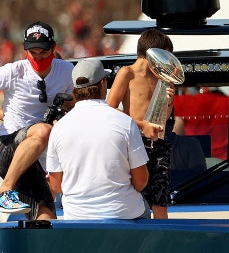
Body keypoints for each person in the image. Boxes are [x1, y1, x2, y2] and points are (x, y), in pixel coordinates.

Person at [47, 59, 150, 219]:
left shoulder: (59, 128)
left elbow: (55, 185)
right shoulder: (125, 122)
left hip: (77, 216)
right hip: (124, 214)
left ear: (75, 89)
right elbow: (141, 181)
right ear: (103, 83)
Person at [0, 21, 74, 219]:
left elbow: (76, 106)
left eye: (43, 53)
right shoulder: (13, 71)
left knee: (46, 217)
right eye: (33, 54)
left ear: (53, 47)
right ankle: (4, 190)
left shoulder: (66, 71)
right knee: (42, 130)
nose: (38, 58)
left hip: (39, 155)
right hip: (9, 145)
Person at [106, 29, 175, 219]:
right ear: (154, 54)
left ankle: (163, 239)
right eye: (165, 56)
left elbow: (164, 117)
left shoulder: (162, 77)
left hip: (158, 144)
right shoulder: (127, 73)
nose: (167, 62)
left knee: (160, 200)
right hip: (134, 142)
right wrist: (140, 125)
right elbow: (109, 108)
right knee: (134, 195)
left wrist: (169, 101)